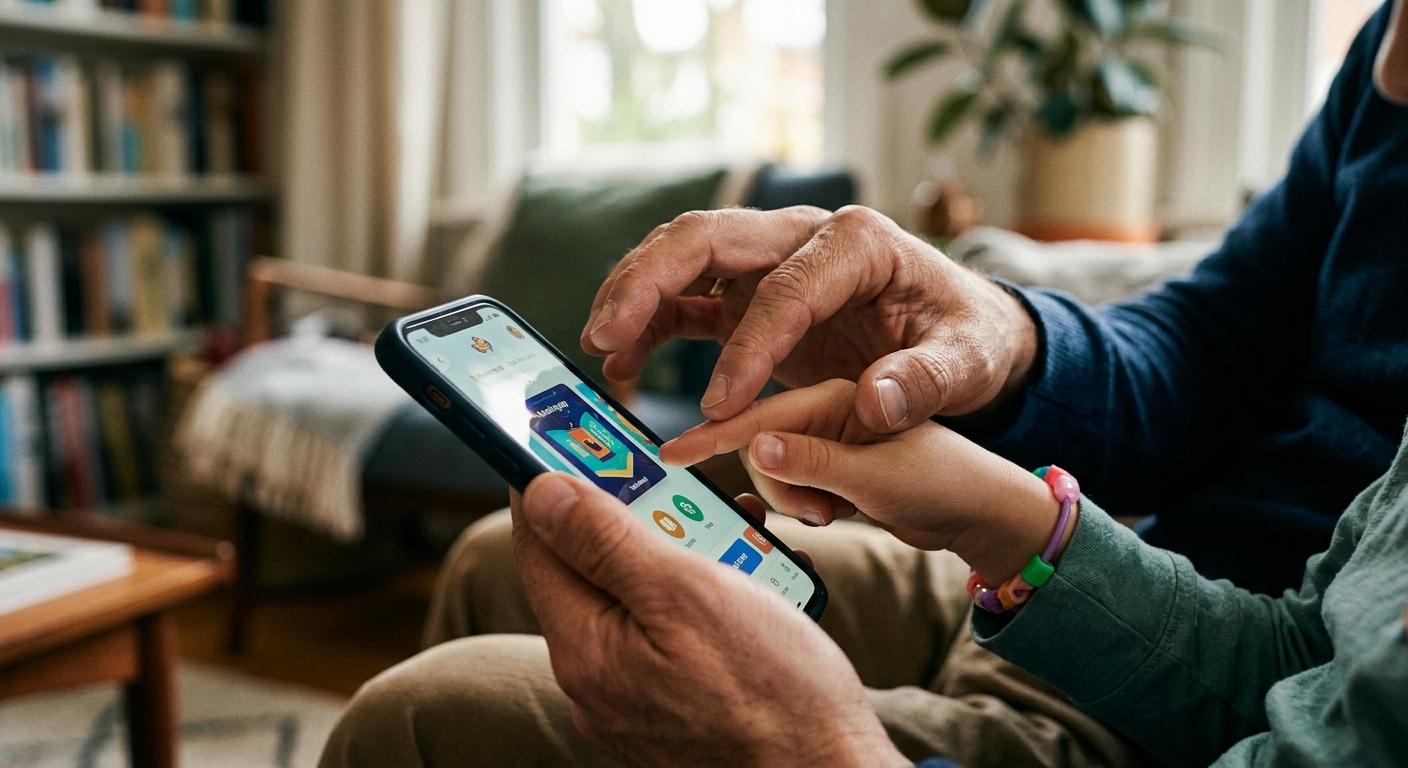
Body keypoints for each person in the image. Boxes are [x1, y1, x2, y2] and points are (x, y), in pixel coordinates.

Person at [320, 1, 1408, 765]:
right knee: (493, 559)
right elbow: (1213, 347)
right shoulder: (1381, 56)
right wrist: (997, 348)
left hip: (1177, 694)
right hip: (1141, 596)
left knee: (416, 718)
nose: (1391, 64)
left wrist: (813, 750)